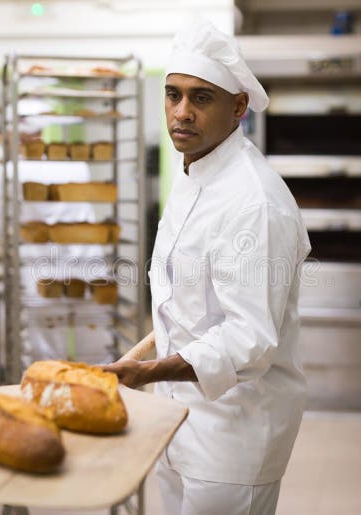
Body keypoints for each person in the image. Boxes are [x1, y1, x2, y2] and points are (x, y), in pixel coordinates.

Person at [101, 18, 311, 515]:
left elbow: (248, 341)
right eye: (173, 95)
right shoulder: (194, 172)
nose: (182, 113)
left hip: (233, 436)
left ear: (238, 108)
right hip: (177, 420)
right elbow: (187, 301)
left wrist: (147, 372)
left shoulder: (253, 201)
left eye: (201, 98)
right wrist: (141, 359)